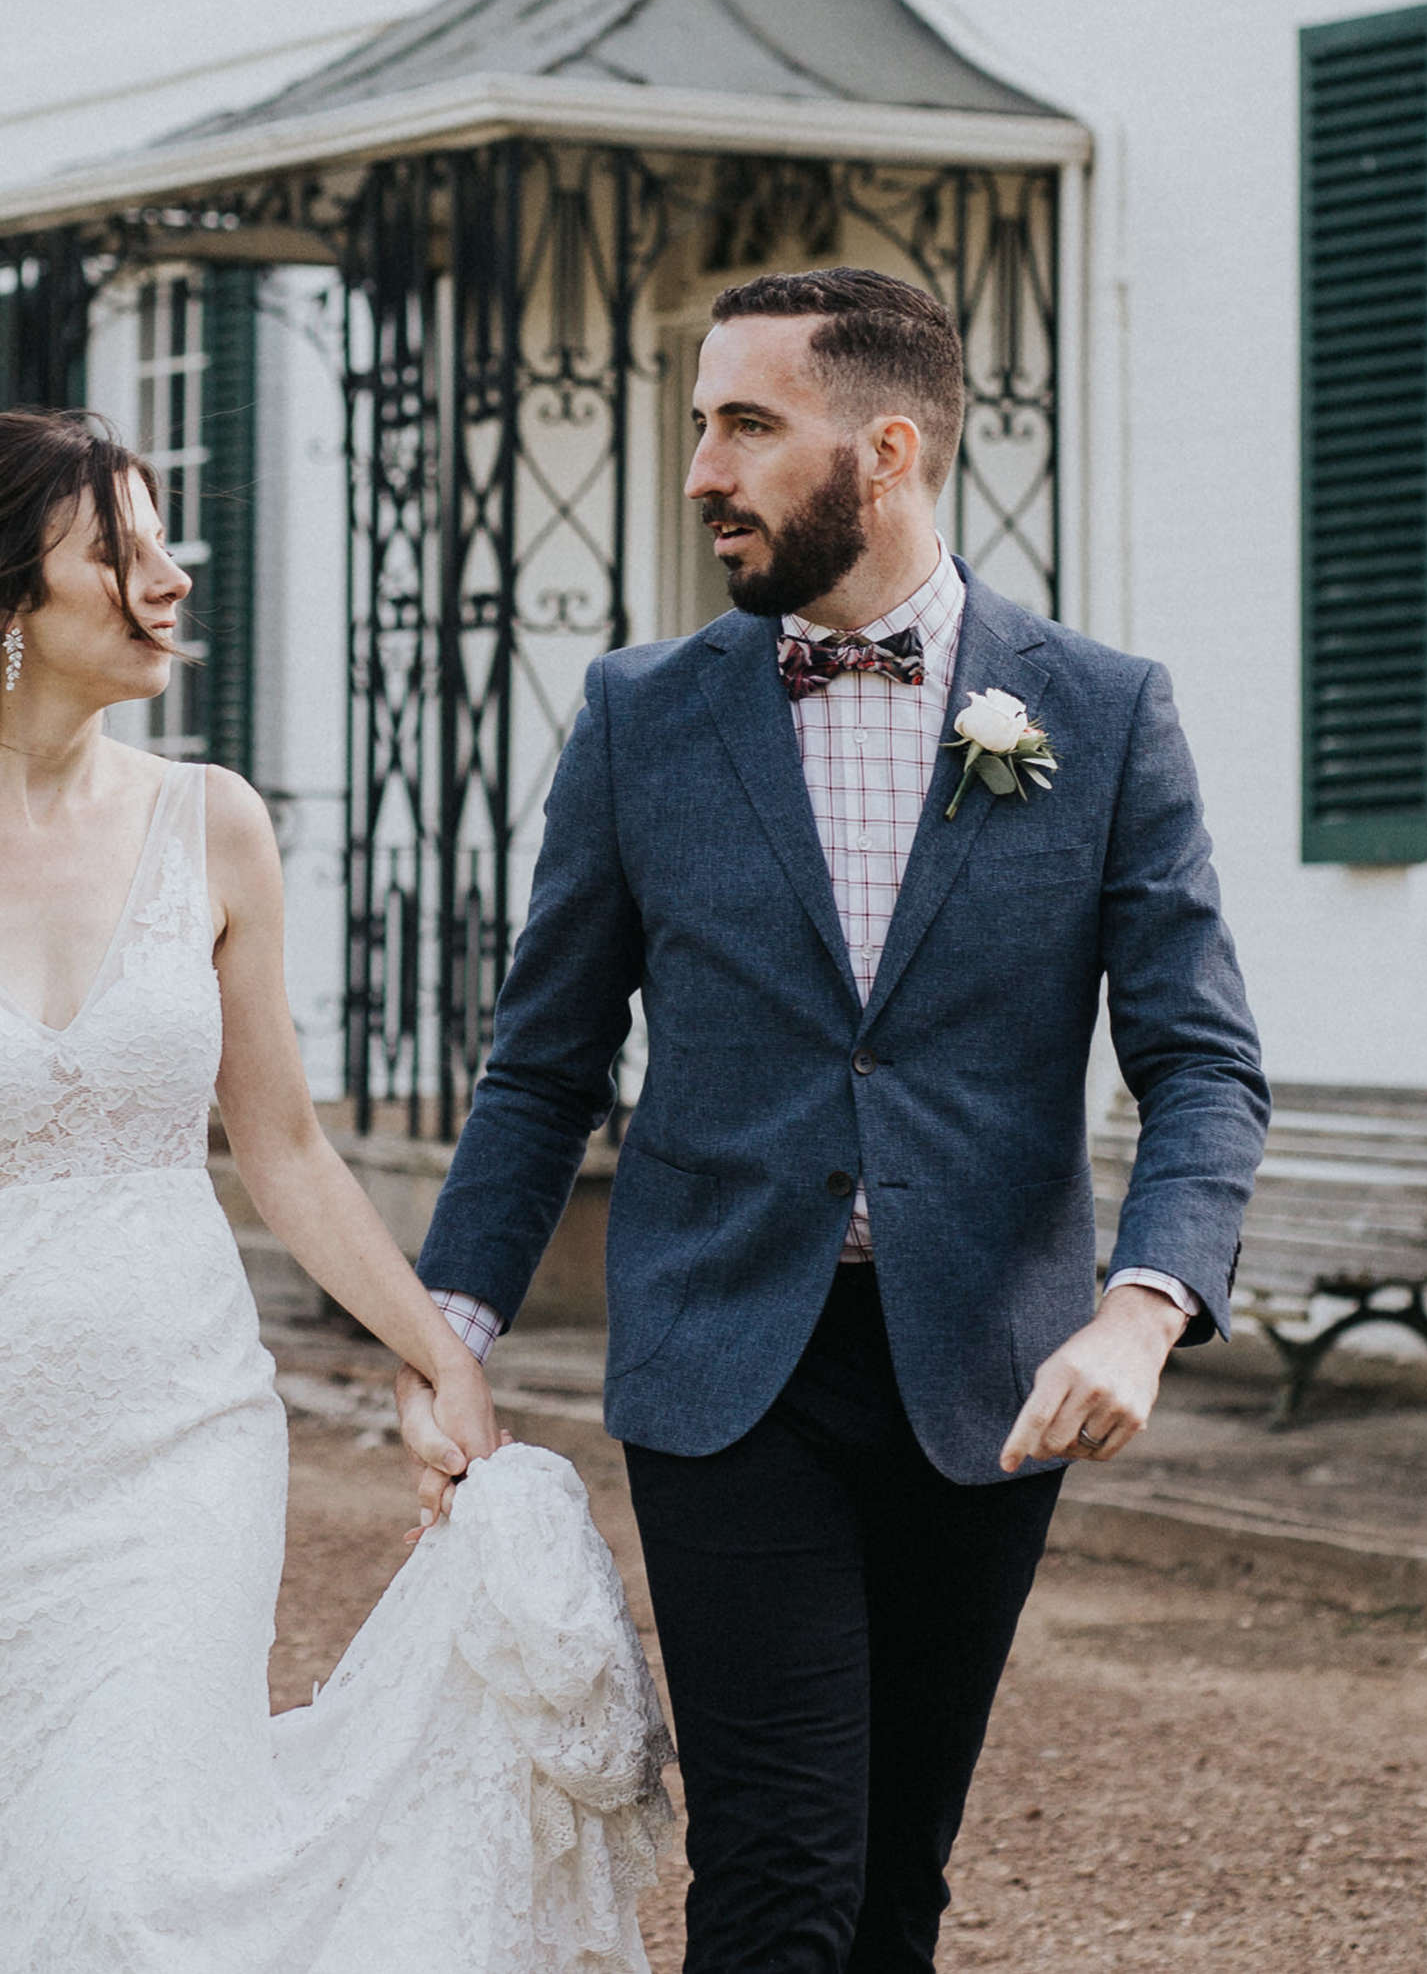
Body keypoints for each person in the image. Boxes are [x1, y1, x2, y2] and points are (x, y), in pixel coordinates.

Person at [405, 266, 1274, 1974]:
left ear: (885, 451)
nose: (700, 469)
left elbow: (1204, 1061)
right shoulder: (643, 719)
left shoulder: (1098, 715)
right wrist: (450, 1332)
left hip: (992, 1376)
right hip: (732, 1360)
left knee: (893, 1889)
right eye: (699, 423)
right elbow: (544, 1063)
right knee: (779, 1877)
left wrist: (1145, 1307)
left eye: (746, 425)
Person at [0, 407, 667, 1973]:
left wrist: (435, 1348)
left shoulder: (216, 824)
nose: (171, 582)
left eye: (166, 540)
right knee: (17, 1888)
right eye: (121, 553)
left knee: (142, 1870)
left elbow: (288, 1147)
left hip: (181, 1443)